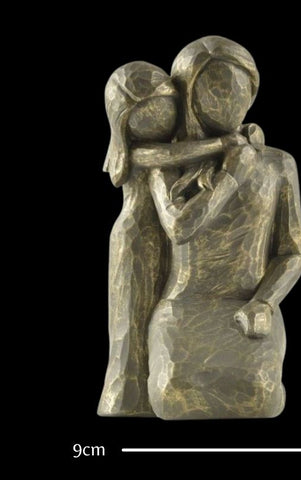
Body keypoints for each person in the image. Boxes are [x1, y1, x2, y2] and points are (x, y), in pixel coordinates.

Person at [147, 36, 301, 419]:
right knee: (171, 399)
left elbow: (292, 251)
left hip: (247, 307)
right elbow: (180, 228)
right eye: (216, 91)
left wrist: (265, 302)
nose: (231, 101)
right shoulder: (166, 165)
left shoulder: (278, 164)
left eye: (240, 91)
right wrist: (231, 174)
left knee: (262, 398)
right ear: (190, 96)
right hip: (183, 308)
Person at [97, 61, 245, 416]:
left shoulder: (174, 146)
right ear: (124, 122)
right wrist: (225, 143)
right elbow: (169, 155)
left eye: (167, 108)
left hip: (165, 237)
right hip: (136, 241)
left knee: (156, 321)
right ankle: (126, 400)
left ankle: (155, 390)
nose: (161, 120)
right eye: (148, 114)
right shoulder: (143, 153)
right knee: (131, 323)